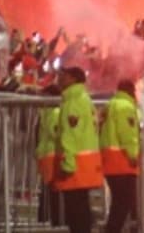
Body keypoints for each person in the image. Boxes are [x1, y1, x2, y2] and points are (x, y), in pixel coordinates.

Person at [53, 66, 103, 233]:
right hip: (86, 164)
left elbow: (70, 135)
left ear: (73, 79)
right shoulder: (85, 99)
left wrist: (67, 164)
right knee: (82, 208)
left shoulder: (73, 102)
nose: (59, 78)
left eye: (63, 75)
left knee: (75, 212)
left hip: (75, 166)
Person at [100, 78, 140, 233]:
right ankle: (113, 230)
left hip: (110, 161)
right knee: (124, 201)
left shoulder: (110, 105)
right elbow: (127, 134)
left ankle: (113, 229)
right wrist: (133, 154)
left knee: (119, 201)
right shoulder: (126, 106)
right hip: (122, 161)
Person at [35, 85, 61, 224]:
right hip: (48, 156)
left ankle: (50, 221)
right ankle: (50, 221)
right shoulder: (47, 113)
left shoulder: (54, 113)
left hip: (51, 157)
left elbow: (55, 134)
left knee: (50, 194)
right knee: (49, 193)